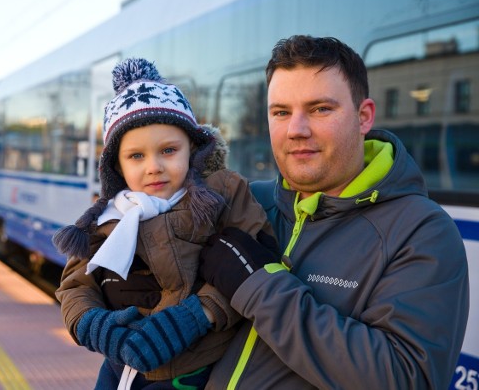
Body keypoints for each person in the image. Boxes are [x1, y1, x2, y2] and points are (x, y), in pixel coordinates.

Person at [198, 35, 470, 389]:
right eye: (281, 112)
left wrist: (258, 287)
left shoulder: (422, 231)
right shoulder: (247, 202)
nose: (296, 130)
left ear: (363, 116)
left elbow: (406, 377)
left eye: (320, 109)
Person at [53, 58, 277, 389]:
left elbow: (255, 264)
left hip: (198, 370)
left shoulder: (222, 194)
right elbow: (76, 284)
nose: (154, 167)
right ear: (116, 166)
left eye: (169, 150)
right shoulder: (107, 215)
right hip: (120, 369)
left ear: (194, 150)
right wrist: (89, 322)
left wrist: (197, 316)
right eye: (136, 156)